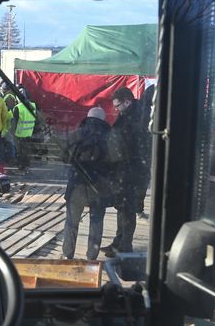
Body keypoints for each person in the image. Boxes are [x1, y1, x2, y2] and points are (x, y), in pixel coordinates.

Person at [101, 87, 149, 256]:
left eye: (118, 105)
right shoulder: (129, 115)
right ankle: (118, 242)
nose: (116, 109)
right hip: (125, 171)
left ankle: (125, 245)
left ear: (127, 102)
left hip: (131, 171)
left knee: (127, 210)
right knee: (122, 208)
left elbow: (131, 146)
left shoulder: (135, 118)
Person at [62, 107, 112, 260]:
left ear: (88, 118)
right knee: (96, 222)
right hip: (99, 187)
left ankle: (68, 253)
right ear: (103, 120)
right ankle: (92, 255)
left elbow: (64, 157)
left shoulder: (76, 134)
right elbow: (116, 164)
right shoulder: (110, 138)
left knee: (71, 222)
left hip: (77, 185)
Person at [136, 84, 155, 220]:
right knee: (144, 180)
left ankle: (138, 209)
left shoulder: (141, 110)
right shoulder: (146, 113)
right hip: (146, 151)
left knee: (143, 180)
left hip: (143, 151)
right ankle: (138, 209)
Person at [11, 87, 37, 171]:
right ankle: (26, 164)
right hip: (29, 132)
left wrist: (12, 134)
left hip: (20, 133)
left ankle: (21, 166)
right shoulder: (33, 105)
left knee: (20, 151)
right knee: (27, 150)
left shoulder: (17, 107)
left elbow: (14, 123)